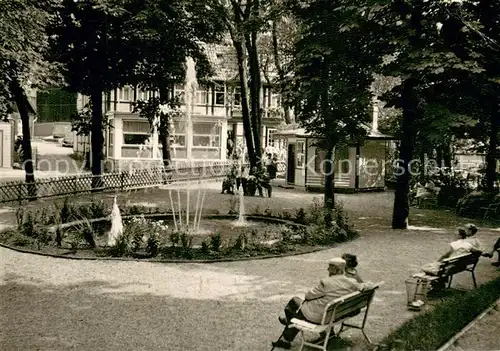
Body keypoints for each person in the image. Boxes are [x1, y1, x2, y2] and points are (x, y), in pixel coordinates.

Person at [272, 258, 374, 349]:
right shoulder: (351, 282)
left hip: (323, 317)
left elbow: (308, 296)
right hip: (340, 313)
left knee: (295, 302)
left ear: (336, 269)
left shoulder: (326, 283)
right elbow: (366, 286)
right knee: (301, 309)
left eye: (330, 267)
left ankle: (286, 336)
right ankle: (326, 335)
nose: (327, 270)